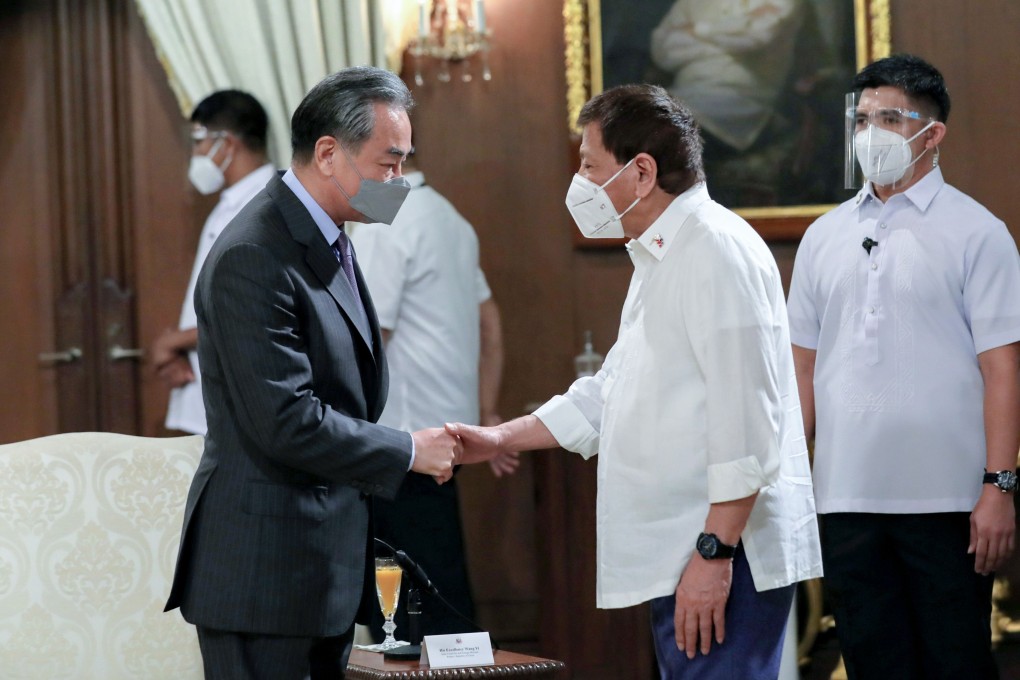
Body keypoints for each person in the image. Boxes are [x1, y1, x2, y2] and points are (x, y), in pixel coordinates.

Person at [448, 84, 822, 679]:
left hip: (725, 553)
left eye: (590, 166)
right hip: (687, 549)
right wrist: (499, 439)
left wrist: (714, 554)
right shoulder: (663, 253)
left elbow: (748, 423)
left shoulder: (714, 251)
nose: (580, 183)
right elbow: (607, 391)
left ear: (641, 172)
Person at [164, 67, 471, 680]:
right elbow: (286, 421)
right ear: (329, 153)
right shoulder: (256, 250)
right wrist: (409, 450)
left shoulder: (326, 232)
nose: (398, 181)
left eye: (404, 162)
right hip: (264, 576)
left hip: (318, 570)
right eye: (388, 163)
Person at [787, 53, 1020, 679]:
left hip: (946, 500)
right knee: (871, 661)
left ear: (932, 133)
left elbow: (1003, 370)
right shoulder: (823, 235)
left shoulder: (979, 232)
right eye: (862, 119)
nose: (870, 134)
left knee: (956, 662)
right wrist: (789, 475)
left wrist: (999, 487)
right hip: (844, 495)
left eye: (890, 118)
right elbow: (800, 370)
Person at [348, 155, 516, 640]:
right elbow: (490, 323)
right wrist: (486, 412)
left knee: (403, 608)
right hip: (445, 432)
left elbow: (365, 337)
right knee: (438, 579)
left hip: (402, 438)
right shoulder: (449, 216)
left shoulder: (386, 221)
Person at [151, 89, 276, 435]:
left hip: (243, 394)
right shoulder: (233, 203)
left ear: (227, 143)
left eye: (199, 141)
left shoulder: (263, 207)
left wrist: (172, 342)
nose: (196, 154)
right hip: (212, 384)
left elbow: (249, 309)